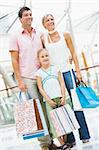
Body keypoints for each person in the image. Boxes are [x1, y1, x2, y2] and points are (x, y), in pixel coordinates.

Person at [9, 7, 56, 150]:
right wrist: (20, 81)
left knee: (47, 108)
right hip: (28, 78)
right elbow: (14, 61)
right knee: (36, 111)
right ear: (20, 19)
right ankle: (44, 144)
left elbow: (47, 51)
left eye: (30, 14)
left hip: (42, 75)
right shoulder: (15, 37)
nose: (29, 17)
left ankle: (52, 140)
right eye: (25, 15)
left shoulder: (39, 34)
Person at [41, 14, 90, 147]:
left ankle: (84, 135)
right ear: (44, 25)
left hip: (68, 72)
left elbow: (73, 53)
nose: (50, 21)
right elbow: (43, 55)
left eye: (52, 19)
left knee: (76, 104)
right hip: (55, 76)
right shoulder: (43, 38)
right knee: (62, 106)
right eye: (47, 20)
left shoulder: (65, 34)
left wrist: (78, 71)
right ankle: (70, 139)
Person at [35, 48, 71, 150]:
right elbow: (41, 89)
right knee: (54, 123)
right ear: (39, 60)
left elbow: (62, 83)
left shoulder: (56, 69)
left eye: (46, 55)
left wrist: (63, 97)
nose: (45, 58)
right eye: (42, 56)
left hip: (60, 98)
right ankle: (62, 143)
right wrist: (49, 100)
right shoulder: (39, 73)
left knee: (64, 120)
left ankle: (65, 142)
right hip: (49, 101)